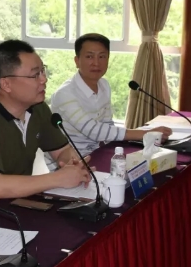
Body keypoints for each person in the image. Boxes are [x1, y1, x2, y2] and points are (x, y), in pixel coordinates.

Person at [0, 39, 92, 221]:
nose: (44, 79)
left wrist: (72, 164)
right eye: (35, 75)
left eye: (43, 71)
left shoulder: (37, 108)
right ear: (6, 84)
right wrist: (59, 178)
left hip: (17, 203)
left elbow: (62, 150)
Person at [47, 33, 172, 167]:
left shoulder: (104, 85)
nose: (96, 63)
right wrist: (144, 134)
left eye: (102, 56)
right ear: (77, 61)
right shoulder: (65, 94)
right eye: (89, 56)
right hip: (70, 162)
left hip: (98, 153)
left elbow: (107, 124)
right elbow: (93, 130)